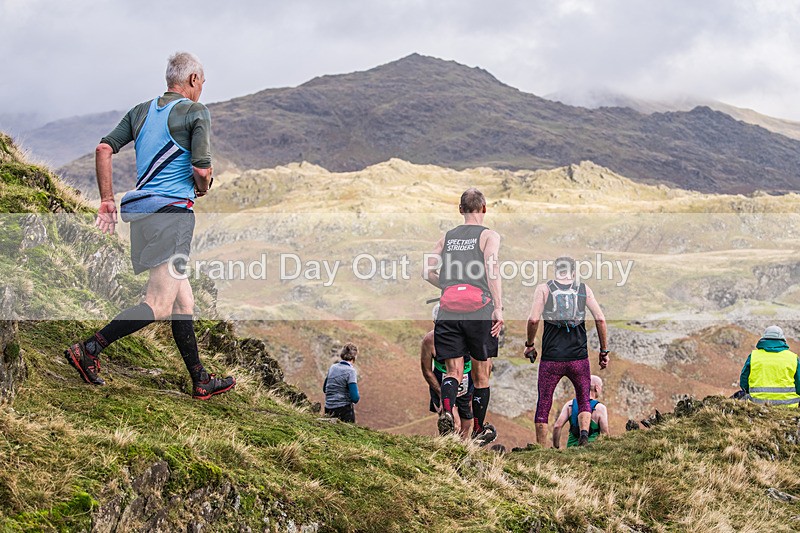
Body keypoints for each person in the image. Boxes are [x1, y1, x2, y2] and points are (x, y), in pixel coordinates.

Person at [63, 52, 235, 400]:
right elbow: (201, 170)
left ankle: (200, 379)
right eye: (202, 82)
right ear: (192, 80)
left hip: (143, 217)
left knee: (183, 304)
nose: (202, 89)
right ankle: (89, 349)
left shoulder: (140, 111)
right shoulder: (196, 112)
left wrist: (107, 199)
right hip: (173, 217)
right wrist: (203, 187)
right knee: (158, 304)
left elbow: (103, 148)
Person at [423, 188, 503, 446]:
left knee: (453, 370)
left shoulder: (447, 237)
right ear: (484, 208)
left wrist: (449, 287)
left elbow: (426, 271)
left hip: (449, 310)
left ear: (460, 210)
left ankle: (447, 411)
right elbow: (491, 267)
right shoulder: (489, 236)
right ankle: (478, 429)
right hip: (479, 309)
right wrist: (498, 307)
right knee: (481, 374)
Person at [523, 256, 608, 447]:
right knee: (584, 398)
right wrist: (604, 351)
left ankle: (540, 448)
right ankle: (584, 436)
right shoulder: (584, 290)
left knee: (544, 402)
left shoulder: (544, 289)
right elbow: (600, 319)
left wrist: (530, 344)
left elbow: (533, 320)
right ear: (573, 272)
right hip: (579, 357)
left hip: (551, 358)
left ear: (556, 271)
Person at [420, 304, 474, 439]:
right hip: (440, 384)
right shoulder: (429, 340)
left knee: (466, 424)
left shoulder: (468, 336)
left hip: (466, 385)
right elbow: (426, 370)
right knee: (451, 423)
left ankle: (462, 448)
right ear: (435, 322)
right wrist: (441, 394)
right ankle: (447, 445)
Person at [739, 325, 800, 407]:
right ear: (783, 340)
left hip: (758, 405)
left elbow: (744, 380)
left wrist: (749, 391)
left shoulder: (754, 356)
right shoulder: (793, 357)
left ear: (763, 339)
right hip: (789, 405)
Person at [552, 375, 609, 448]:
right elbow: (605, 434)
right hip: (591, 450)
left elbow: (557, 426)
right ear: (596, 388)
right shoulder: (600, 408)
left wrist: (556, 447)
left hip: (571, 450)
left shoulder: (570, 404)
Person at [324, 343, 361, 423]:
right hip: (343, 411)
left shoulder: (332, 367)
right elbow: (355, 398)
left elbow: (325, 389)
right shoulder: (350, 371)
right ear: (354, 357)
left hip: (328, 408)